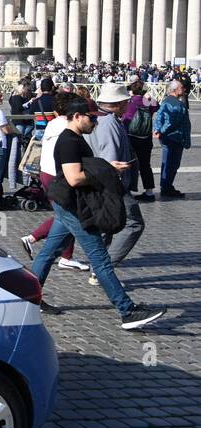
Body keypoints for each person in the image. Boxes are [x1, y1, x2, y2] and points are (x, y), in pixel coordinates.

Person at [29, 99, 166, 331]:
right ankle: (127, 311)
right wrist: (108, 169)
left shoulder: (74, 138)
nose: (95, 122)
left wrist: (104, 164)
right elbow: (74, 178)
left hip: (65, 202)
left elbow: (85, 168)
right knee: (100, 259)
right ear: (77, 116)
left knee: (49, 252)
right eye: (91, 118)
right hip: (72, 205)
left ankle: (27, 299)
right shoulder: (69, 141)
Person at [20, 92, 83, 271]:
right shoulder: (66, 125)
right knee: (67, 215)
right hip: (57, 173)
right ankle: (32, 238)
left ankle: (66, 255)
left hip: (45, 172)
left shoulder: (53, 123)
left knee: (67, 213)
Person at [89, 83, 145, 284]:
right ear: (119, 103)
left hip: (101, 180)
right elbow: (110, 158)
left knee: (106, 226)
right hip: (112, 182)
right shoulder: (109, 124)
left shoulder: (99, 118)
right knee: (134, 224)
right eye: (125, 102)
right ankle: (103, 268)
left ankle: (98, 269)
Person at [154, 79, 191, 198]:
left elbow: (159, 117)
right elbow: (171, 122)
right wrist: (162, 131)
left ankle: (166, 185)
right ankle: (167, 187)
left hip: (168, 138)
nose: (183, 89)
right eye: (181, 88)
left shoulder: (166, 100)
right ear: (175, 90)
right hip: (174, 138)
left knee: (167, 162)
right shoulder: (176, 104)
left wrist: (158, 129)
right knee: (172, 163)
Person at [123, 79, 158, 201]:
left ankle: (128, 189)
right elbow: (156, 107)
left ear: (132, 90)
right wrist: (149, 98)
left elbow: (122, 116)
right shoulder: (147, 101)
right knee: (145, 164)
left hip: (130, 137)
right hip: (146, 138)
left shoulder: (128, 102)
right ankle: (149, 192)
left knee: (128, 163)